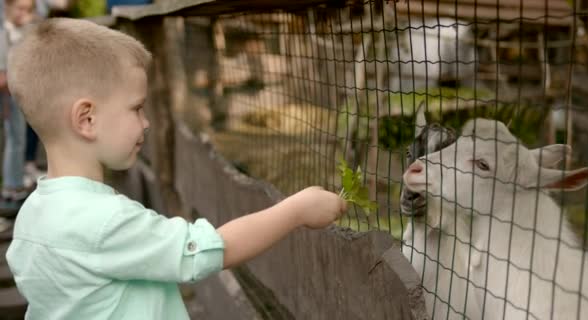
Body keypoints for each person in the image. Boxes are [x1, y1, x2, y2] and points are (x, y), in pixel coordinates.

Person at [5, 18, 347, 320]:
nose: (147, 122)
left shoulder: (32, 216)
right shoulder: (104, 222)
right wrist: (297, 210)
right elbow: (204, 251)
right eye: (136, 108)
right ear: (87, 119)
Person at [0, 0, 35, 210]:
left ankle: (14, 183)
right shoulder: (4, 32)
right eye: (20, 8)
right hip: (8, 93)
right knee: (15, 140)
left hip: (14, 91)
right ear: (7, 7)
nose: (25, 13)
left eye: (29, 9)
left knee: (17, 140)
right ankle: (12, 186)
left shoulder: (20, 30)